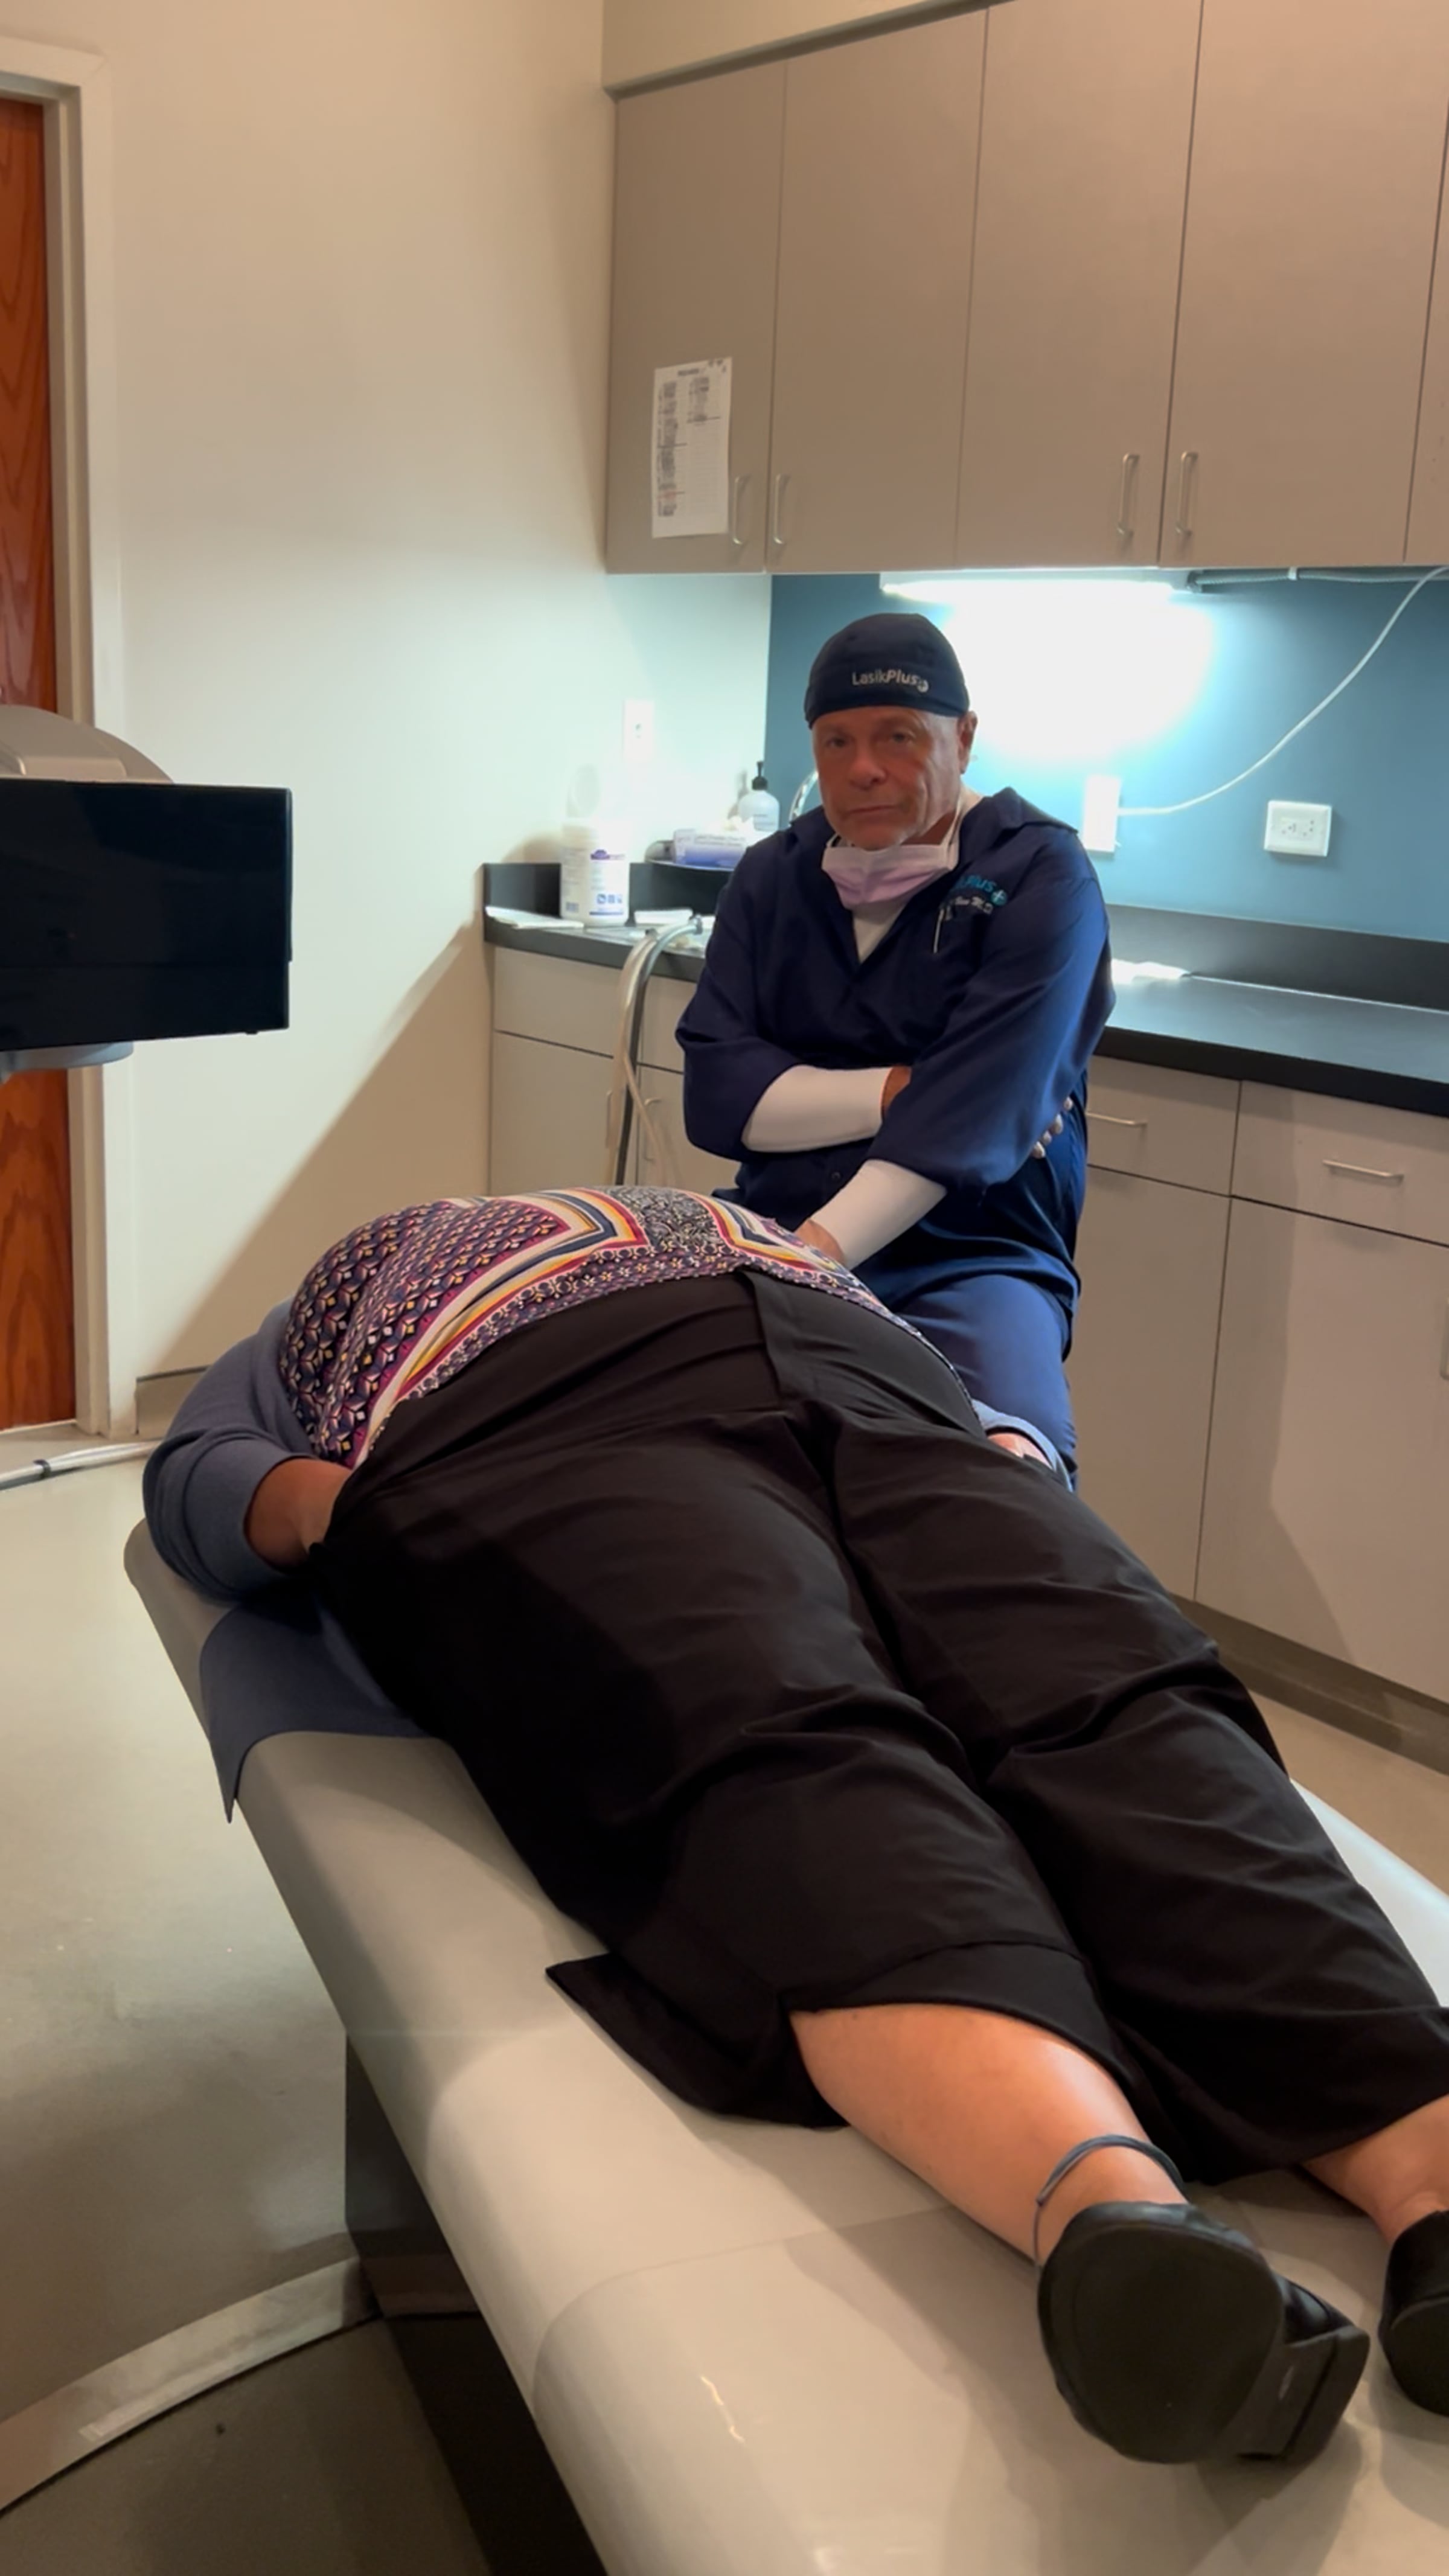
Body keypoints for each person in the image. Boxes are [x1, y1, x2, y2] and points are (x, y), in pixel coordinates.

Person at [144, 1180, 1449, 2467]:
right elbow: (196, 1480)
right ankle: (1117, 2217)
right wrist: (352, 1508)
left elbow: (985, 1380)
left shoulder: (760, 1232)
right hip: (533, 1415)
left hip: (878, 1389)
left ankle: (1431, 2190)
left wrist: (1008, 1445)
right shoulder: (332, 1298)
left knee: (1123, 1702)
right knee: (774, 1724)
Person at [677, 610, 1112, 1480]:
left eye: (898, 736)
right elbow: (719, 1097)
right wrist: (907, 1090)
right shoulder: (773, 876)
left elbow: (973, 1122)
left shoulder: (1040, 876)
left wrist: (817, 1255)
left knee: (1005, 1476)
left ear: (965, 737)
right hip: (775, 1227)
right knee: (699, 1457)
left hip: (972, 1256)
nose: (863, 768)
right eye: (835, 741)